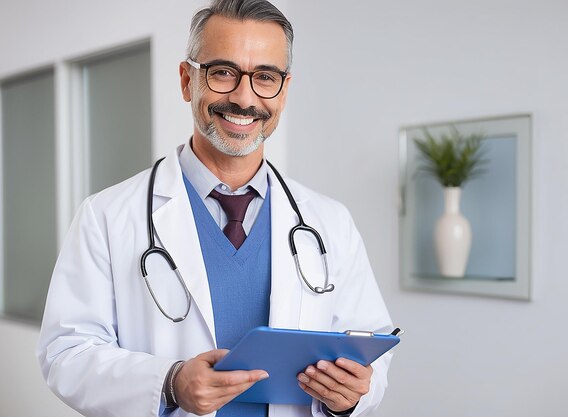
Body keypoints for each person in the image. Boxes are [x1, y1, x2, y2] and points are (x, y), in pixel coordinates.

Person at [37, 1, 394, 416]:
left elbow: (374, 351)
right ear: (188, 80)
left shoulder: (330, 222)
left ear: (284, 90)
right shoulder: (107, 216)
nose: (245, 98)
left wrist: (352, 395)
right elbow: (65, 353)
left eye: (265, 77)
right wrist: (169, 383)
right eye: (223, 72)